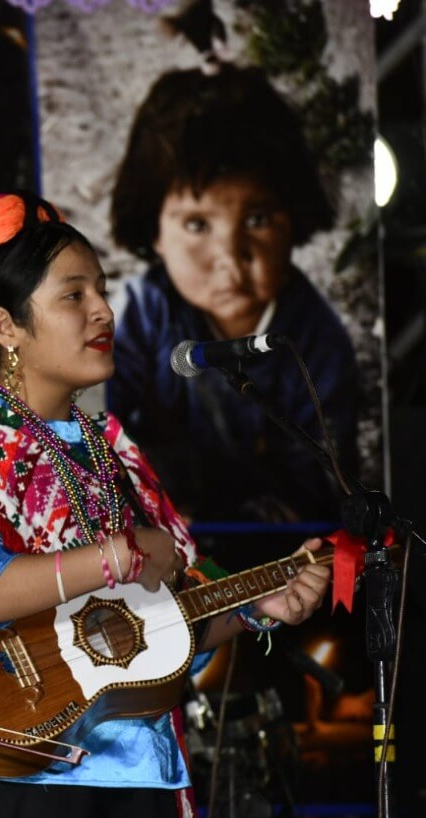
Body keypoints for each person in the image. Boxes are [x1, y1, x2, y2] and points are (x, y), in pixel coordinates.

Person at [0, 192, 332, 818]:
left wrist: (258, 607)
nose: (103, 310)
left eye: (102, 291)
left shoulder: (114, 449)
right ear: (6, 327)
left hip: (140, 782)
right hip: (22, 777)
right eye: (73, 295)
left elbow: (162, 629)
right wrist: (116, 556)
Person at [107, 59, 359, 526]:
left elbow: (325, 490)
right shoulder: (139, 317)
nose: (230, 256)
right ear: (154, 230)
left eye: (257, 220)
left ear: (294, 221)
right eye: (198, 224)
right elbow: (91, 440)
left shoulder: (318, 345)